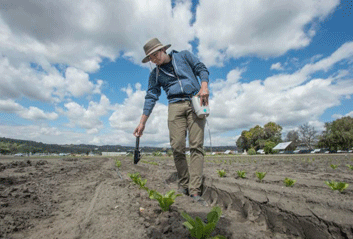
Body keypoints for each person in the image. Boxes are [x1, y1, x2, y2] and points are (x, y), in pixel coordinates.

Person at [133, 38, 210, 206]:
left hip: (195, 101)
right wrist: (142, 123)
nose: (154, 60)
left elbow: (201, 69)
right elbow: (151, 96)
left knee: (196, 146)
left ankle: (195, 190)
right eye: (150, 58)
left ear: (163, 50)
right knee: (177, 147)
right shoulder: (156, 74)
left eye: (155, 55)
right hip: (174, 106)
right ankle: (184, 184)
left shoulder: (183, 56)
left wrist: (204, 87)